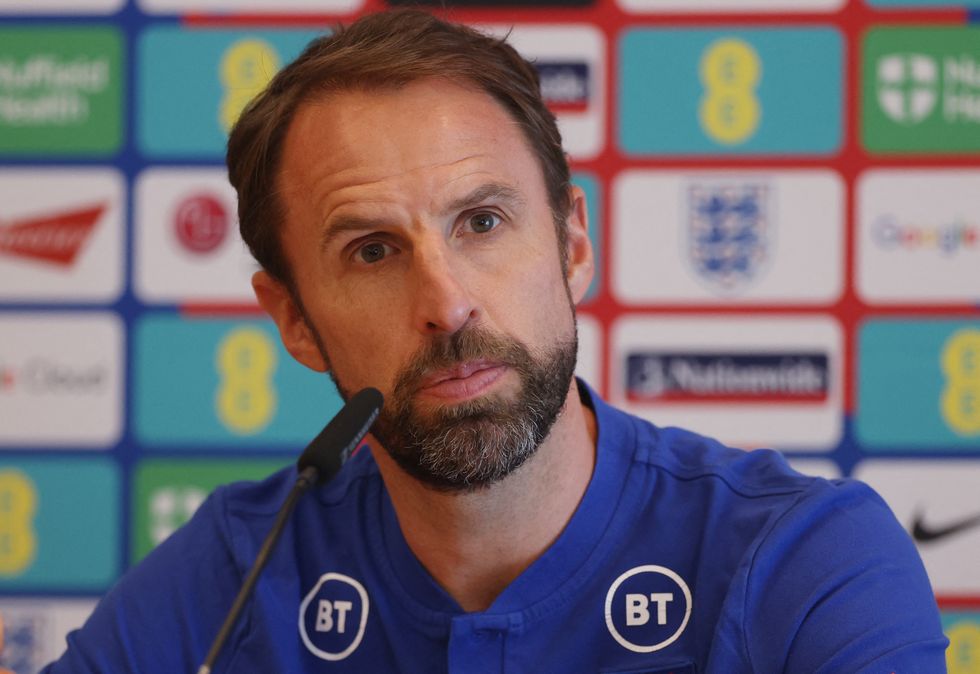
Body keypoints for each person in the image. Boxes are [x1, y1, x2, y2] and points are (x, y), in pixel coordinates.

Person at [45, 9, 948, 673]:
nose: (446, 304)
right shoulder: (236, 571)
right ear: (293, 321)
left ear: (572, 243)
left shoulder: (803, 558)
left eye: (482, 222)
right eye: (372, 250)